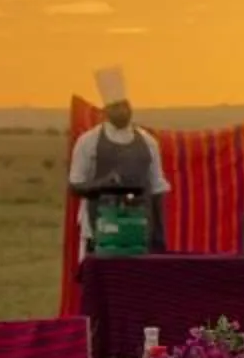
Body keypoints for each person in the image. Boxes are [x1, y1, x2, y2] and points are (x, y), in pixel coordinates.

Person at [69, 66, 171, 249]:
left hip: (140, 230)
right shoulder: (88, 141)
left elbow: (157, 191)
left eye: (125, 105)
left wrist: (160, 237)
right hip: (99, 228)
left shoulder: (148, 142)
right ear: (106, 111)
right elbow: (75, 186)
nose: (122, 111)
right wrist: (102, 184)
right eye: (116, 107)